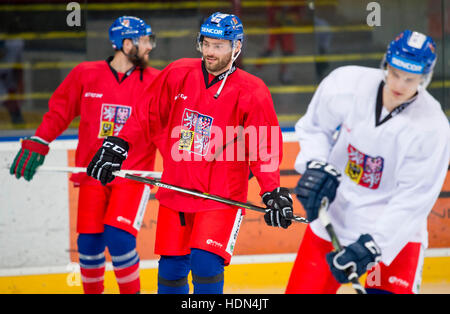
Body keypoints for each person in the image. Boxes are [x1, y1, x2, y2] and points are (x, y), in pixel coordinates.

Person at [87, 12, 294, 294]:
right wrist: (118, 144)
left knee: (205, 264)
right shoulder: (178, 72)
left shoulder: (253, 91)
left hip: (221, 197)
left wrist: (271, 191)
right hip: (176, 193)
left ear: (237, 47)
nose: (209, 51)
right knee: (171, 271)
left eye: (218, 45)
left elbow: (264, 146)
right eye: (205, 43)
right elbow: (146, 114)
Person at [286, 30, 450, 294]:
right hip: (333, 218)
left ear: (425, 77)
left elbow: (413, 199)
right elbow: (315, 127)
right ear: (386, 63)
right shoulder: (346, 84)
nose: (399, 85)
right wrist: (315, 165)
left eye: (410, 79)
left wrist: (375, 245)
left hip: (395, 235)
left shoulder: (433, 129)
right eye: (394, 73)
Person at [9, 16, 160, 294]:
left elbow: (168, 122)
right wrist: (40, 141)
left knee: (119, 238)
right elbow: (59, 112)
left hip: (132, 176)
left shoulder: (157, 81)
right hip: (93, 174)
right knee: (89, 244)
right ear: (127, 44)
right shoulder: (85, 74)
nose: (150, 47)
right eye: (145, 40)